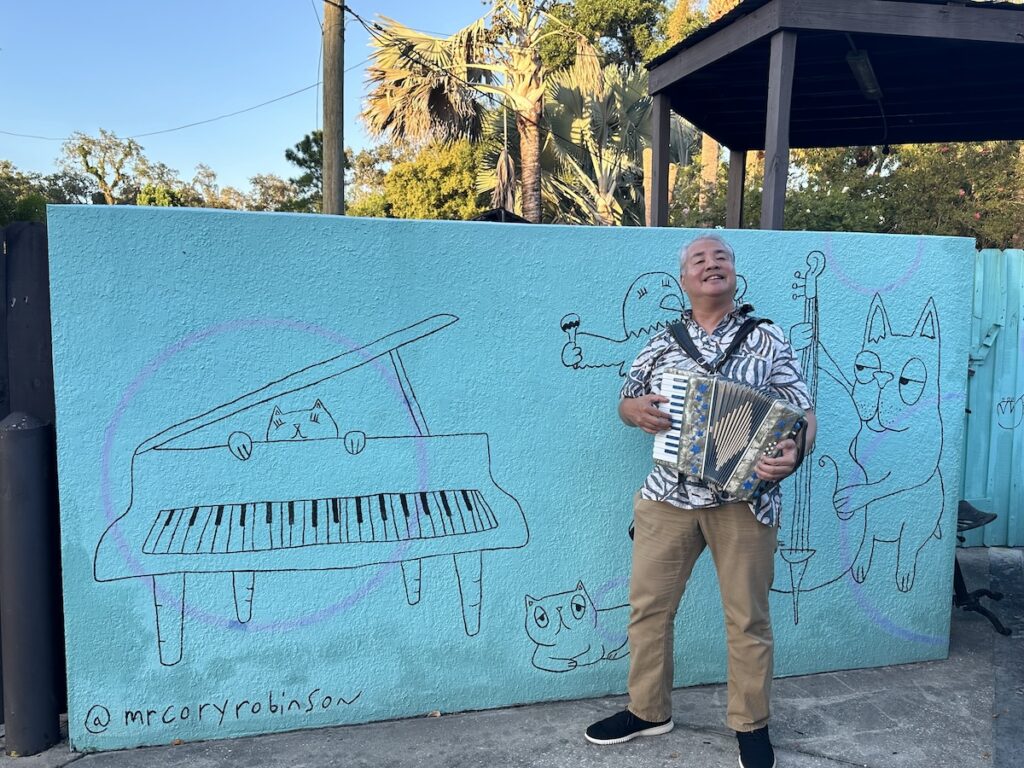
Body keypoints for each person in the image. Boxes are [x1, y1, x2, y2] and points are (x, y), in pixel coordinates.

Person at [584, 234, 817, 768]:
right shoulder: (662, 341)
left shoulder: (768, 338)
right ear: (685, 280)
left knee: (748, 619)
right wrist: (634, 411)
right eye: (699, 260)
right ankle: (647, 711)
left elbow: (803, 413)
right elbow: (627, 400)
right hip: (669, 495)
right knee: (648, 611)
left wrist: (794, 452)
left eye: (722, 258)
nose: (712, 264)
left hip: (746, 499)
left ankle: (751, 726)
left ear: (734, 273)